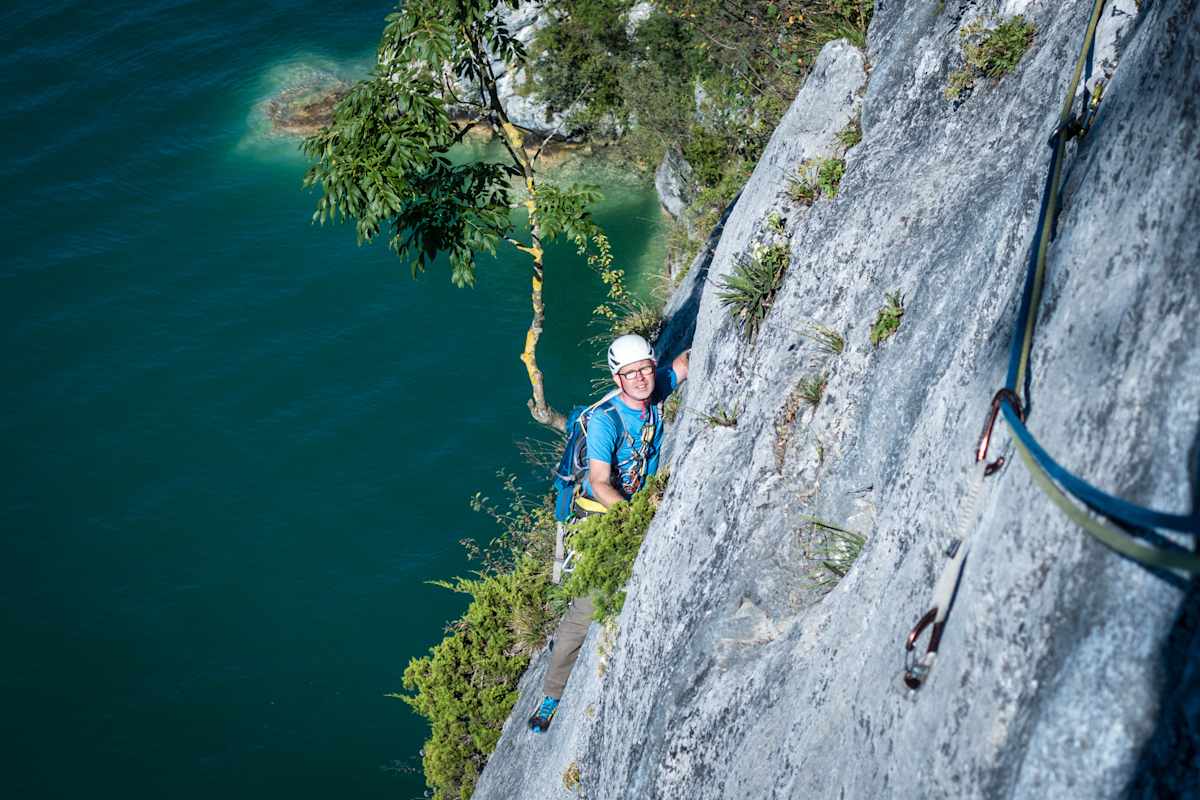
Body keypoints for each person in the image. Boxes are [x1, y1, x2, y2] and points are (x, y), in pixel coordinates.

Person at [528, 333, 689, 733]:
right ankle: (552, 694)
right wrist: (634, 520)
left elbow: (683, 364)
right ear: (617, 379)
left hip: (630, 507)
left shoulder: (655, 387)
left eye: (644, 370)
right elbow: (599, 481)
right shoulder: (607, 421)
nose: (639, 379)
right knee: (585, 611)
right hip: (602, 517)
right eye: (629, 374)